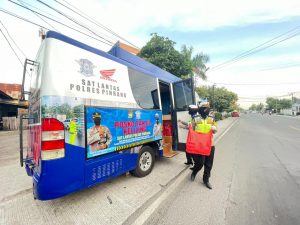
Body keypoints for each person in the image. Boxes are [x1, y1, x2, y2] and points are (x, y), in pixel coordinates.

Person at [190, 100, 217, 189]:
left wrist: (214, 129)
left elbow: (215, 129)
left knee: (209, 164)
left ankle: (206, 180)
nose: (206, 109)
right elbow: (192, 130)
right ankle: (194, 171)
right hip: (200, 145)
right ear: (200, 108)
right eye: (204, 108)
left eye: (207, 108)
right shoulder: (196, 118)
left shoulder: (211, 118)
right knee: (200, 163)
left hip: (210, 144)